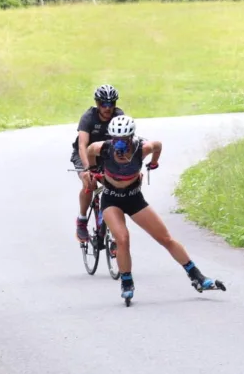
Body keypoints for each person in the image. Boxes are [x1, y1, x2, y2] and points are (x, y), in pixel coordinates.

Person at [84, 114, 225, 303]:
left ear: (131, 137)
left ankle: (198, 277)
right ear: (111, 138)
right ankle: (126, 281)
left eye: (124, 140)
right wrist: (92, 169)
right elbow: (90, 150)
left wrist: (153, 162)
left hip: (134, 198)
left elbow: (157, 145)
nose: (120, 145)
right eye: (116, 140)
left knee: (165, 238)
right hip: (111, 199)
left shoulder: (142, 148)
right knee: (123, 238)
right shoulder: (104, 148)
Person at [72, 85, 124, 243]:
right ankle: (81, 220)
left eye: (111, 104)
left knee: (117, 186)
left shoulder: (118, 115)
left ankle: (114, 232)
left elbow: (125, 142)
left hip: (105, 156)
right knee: (90, 183)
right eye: (103, 104)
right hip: (84, 155)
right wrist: (88, 168)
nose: (108, 108)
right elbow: (82, 145)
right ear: (97, 103)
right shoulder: (88, 117)